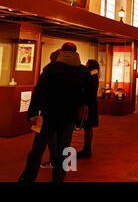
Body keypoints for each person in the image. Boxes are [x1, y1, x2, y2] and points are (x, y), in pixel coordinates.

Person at [19, 43, 91, 182]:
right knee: (65, 149)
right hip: (69, 116)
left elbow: (39, 91)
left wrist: (33, 112)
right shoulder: (82, 71)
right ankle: (59, 178)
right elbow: (87, 94)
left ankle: (27, 178)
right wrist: (83, 106)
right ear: (76, 52)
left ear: (61, 52)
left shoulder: (51, 68)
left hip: (49, 115)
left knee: (37, 149)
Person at [77, 59, 100, 159]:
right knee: (88, 127)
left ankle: (87, 149)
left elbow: (88, 91)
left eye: (87, 64)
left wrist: (84, 103)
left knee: (87, 126)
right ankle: (87, 149)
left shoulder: (91, 77)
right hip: (92, 104)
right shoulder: (94, 76)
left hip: (88, 105)